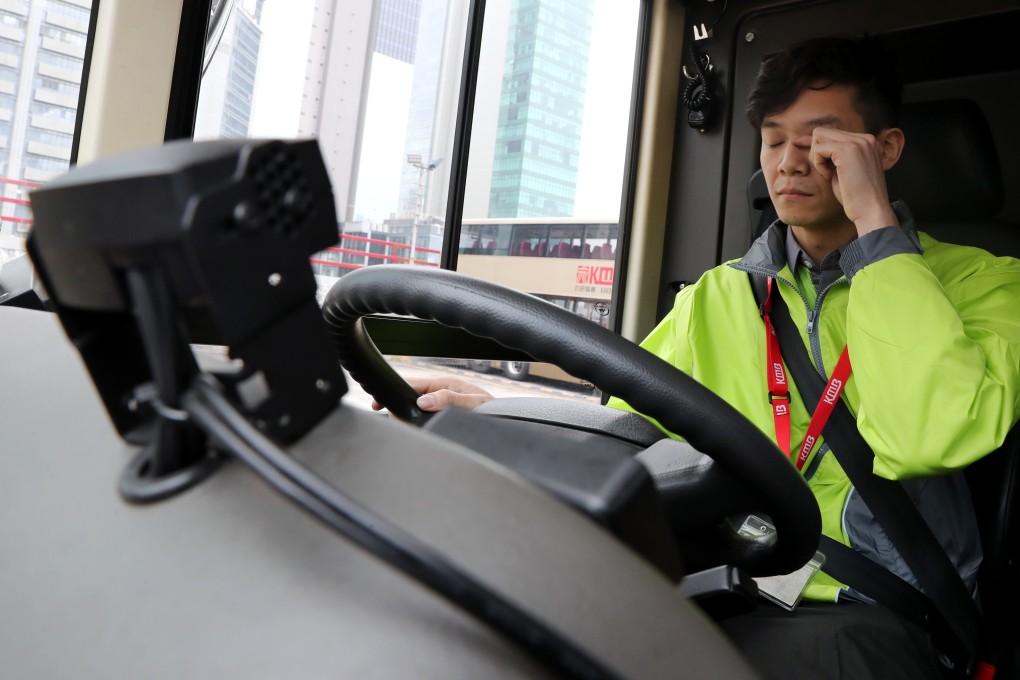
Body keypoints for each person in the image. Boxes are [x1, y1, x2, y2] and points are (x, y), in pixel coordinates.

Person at [375, 35, 1020, 678]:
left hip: (872, 605)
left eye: (820, 143)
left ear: (884, 151)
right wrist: (496, 415)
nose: (789, 164)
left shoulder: (986, 284)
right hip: (735, 571)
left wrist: (875, 225)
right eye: (774, 140)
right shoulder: (722, 291)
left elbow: (925, 437)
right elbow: (632, 427)